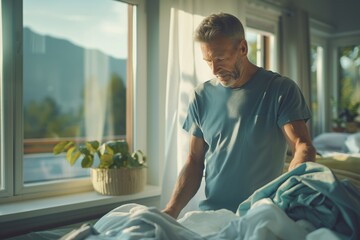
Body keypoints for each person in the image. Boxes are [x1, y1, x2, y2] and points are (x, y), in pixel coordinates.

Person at [163, 12, 316, 219]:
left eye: (220, 59)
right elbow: (194, 160)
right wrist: (171, 210)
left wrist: (289, 192)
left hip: (261, 215)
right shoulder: (201, 96)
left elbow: (302, 146)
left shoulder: (280, 89)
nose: (214, 69)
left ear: (243, 48)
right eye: (208, 61)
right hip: (213, 215)